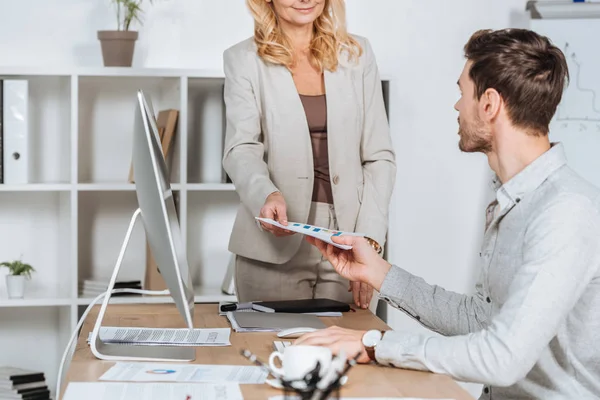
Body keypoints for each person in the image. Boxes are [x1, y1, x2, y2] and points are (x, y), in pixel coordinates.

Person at [295, 28, 600, 400]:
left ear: (489, 104)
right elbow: (480, 320)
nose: (457, 106)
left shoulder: (566, 211)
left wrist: (374, 345)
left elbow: (502, 356)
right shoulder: (513, 201)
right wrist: (378, 272)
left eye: (462, 92)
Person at [221, 0, 396, 308]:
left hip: (349, 240)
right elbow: (241, 148)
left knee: (349, 353)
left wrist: (369, 237)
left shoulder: (358, 54)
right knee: (269, 352)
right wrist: (266, 194)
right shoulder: (243, 60)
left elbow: (379, 156)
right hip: (273, 243)